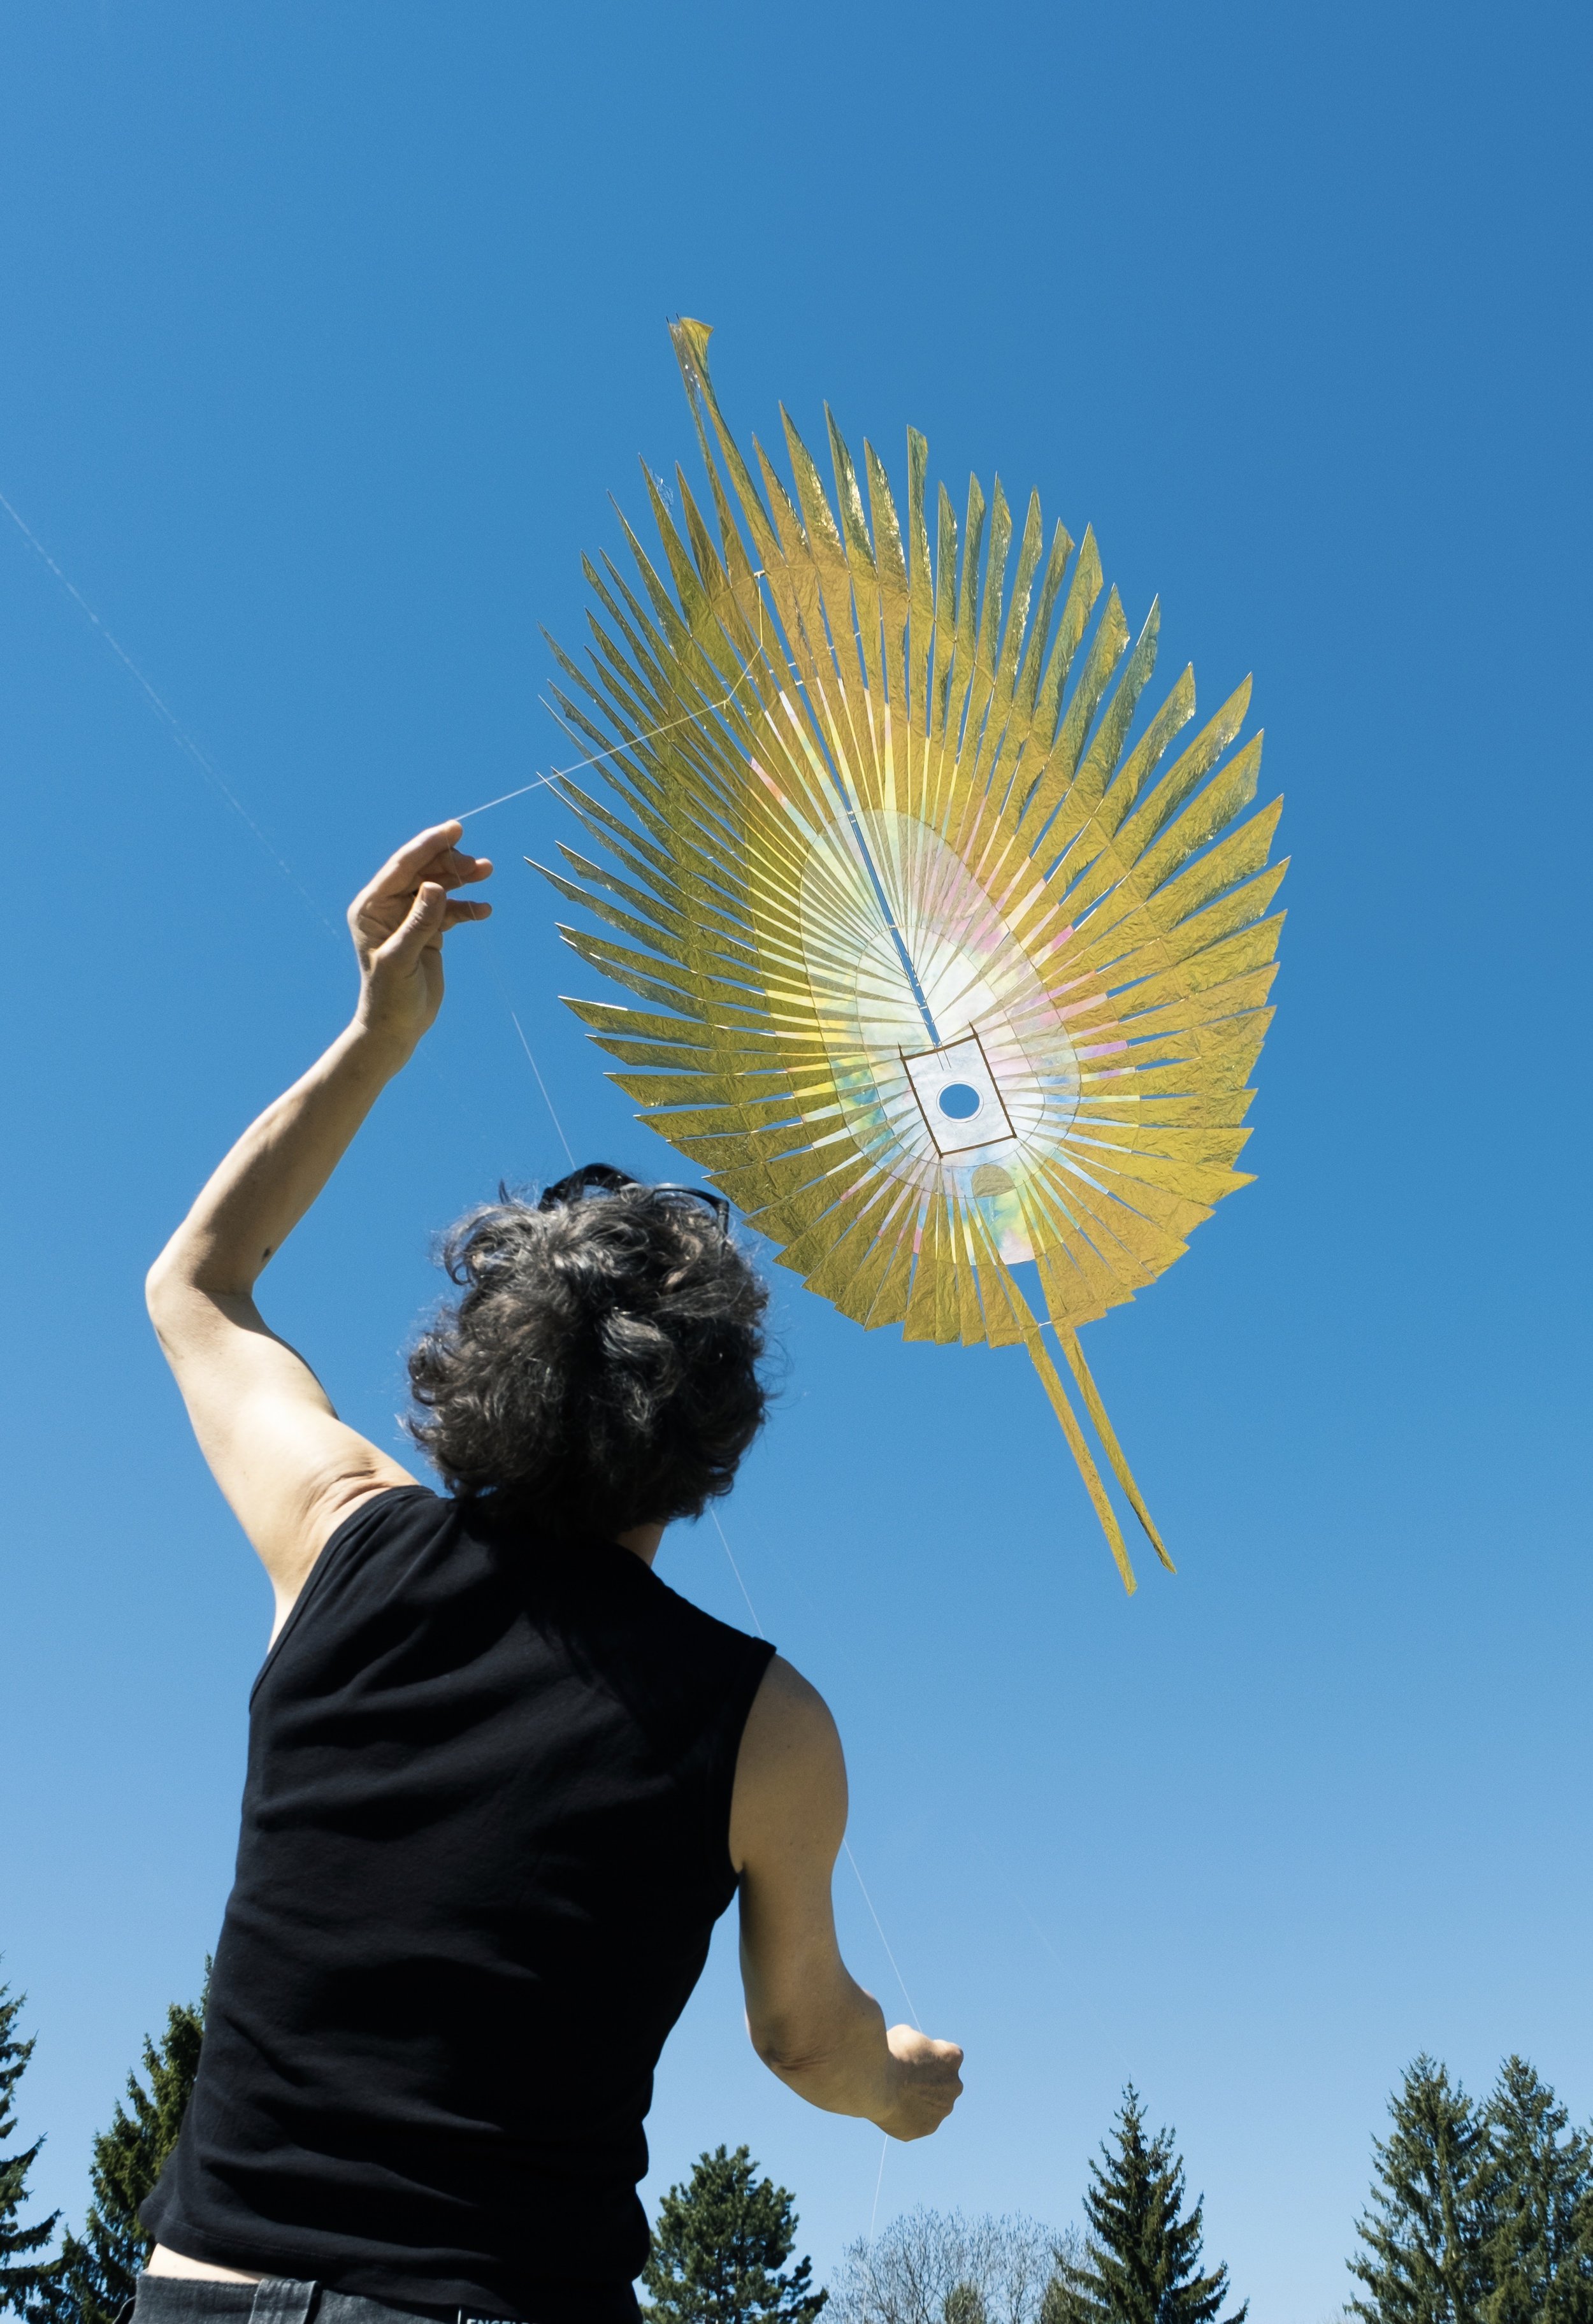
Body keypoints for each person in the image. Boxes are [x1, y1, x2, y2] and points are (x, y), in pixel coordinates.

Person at [137, 822, 963, 2324]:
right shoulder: (765, 1725)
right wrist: (897, 2088)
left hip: (205, 2292)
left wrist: (379, 1034)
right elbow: (803, 2041)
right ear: (720, 1432)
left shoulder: (337, 1536)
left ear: (473, 1370)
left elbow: (197, 1282)